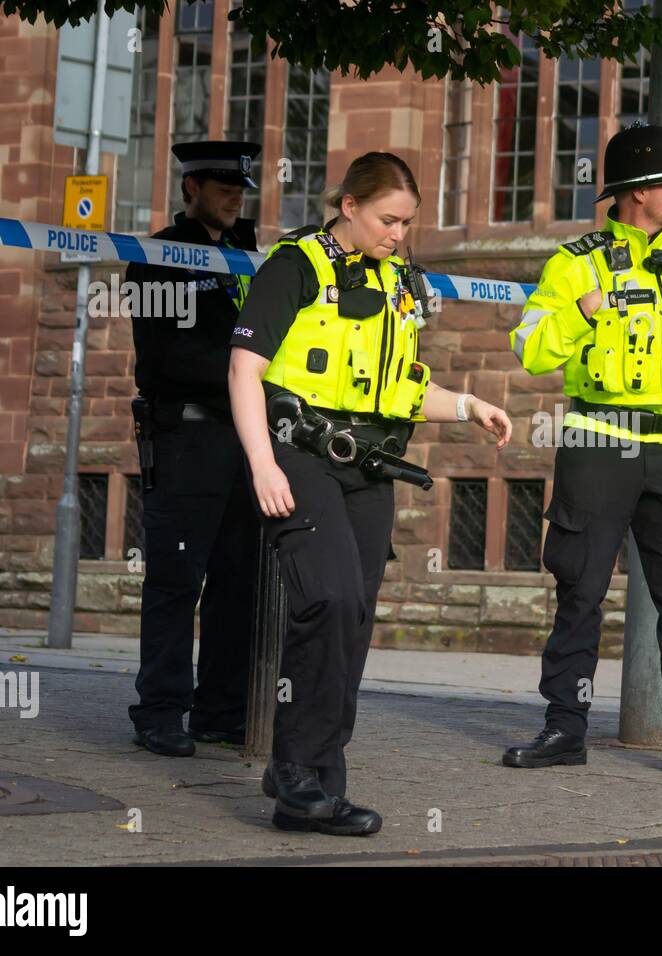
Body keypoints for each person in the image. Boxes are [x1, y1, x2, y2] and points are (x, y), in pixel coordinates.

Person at [229, 151, 513, 836]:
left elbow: (405, 387)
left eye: (407, 223)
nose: (398, 234)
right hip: (299, 454)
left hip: (372, 466)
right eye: (388, 219)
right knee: (326, 599)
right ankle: (296, 772)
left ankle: (317, 778)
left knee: (352, 620)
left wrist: (468, 403)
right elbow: (243, 370)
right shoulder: (294, 268)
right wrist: (263, 465)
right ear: (349, 206)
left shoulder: (399, 285)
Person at [503, 122, 662, 773]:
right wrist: (581, 313)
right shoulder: (576, 264)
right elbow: (531, 346)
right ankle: (564, 730)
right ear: (635, 192)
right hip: (601, 439)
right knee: (581, 591)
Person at [128, 140, 262, 757]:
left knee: (239, 581)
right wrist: (250, 373)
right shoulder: (157, 258)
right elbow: (165, 357)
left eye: (239, 186)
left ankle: (220, 711)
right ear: (190, 189)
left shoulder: (249, 256)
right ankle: (159, 711)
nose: (235, 194)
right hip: (188, 435)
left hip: (244, 439)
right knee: (176, 580)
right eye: (220, 184)